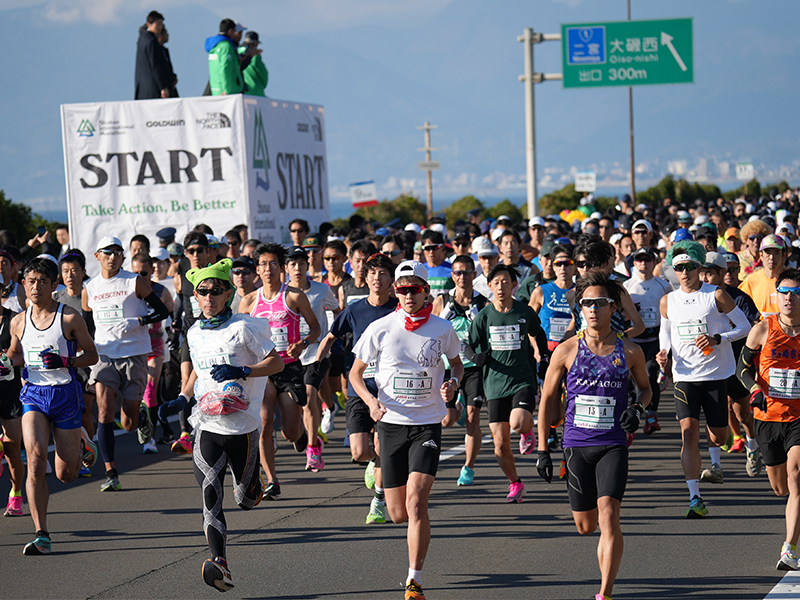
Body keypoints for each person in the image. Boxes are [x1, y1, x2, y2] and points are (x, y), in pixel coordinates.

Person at [165, 258, 283, 591]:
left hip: (243, 428)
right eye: (202, 292)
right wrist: (182, 398)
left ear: (228, 293)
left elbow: (276, 362)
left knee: (245, 499)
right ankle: (221, 564)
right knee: (210, 498)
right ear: (196, 296)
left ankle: (254, 481)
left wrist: (243, 371)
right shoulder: (193, 331)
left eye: (216, 291)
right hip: (207, 427)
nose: (209, 297)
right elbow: (196, 376)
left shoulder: (245, 327)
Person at [351, 260, 463, 600]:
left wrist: (453, 384)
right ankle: (384, 487)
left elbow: (456, 363)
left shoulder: (442, 329)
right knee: (398, 514)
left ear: (426, 291)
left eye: (414, 289)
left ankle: (414, 580)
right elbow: (354, 373)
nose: (408, 295)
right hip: (390, 424)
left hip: (427, 424)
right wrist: (371, 402)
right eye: (401, 289)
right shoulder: (382, 328)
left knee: (417, 503)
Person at [538, 269, 651, 600]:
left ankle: (605, 592)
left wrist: (638, 410)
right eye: (586, 303)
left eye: (600, 303)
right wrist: (543, 450)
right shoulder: (566, 350)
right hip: (575, 446)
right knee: (585, 525)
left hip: (613, 445)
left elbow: (645, 390)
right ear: (580, 308)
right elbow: (546, 400)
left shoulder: (629, 351)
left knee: (609, 516)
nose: (592, 309)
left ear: (613, 308)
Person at [5, 257, 98, 554]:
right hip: (33, 395)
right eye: (30, 281)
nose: (36, 287)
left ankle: (82, 442)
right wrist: (6, 363)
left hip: (65, 395)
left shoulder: (69, 317)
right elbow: (16, 355)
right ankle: (41, 533)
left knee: (66, 474)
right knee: (34, 460)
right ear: (24, 284)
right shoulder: (18, 321)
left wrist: (66, 361)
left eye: (42, 281)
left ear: (53, 285)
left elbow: (92, 355)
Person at [655, 240, 751, 517]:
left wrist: (718, 338)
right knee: (688, 433)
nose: (684, 272)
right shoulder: (668, 301)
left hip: (715, 375)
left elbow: (744, 327)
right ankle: (694, 496)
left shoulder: (716, 295)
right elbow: (666, 333)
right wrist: (664, 353)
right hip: (684, 376)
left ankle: (718, 455)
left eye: (688, 267)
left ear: (698, 268)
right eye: (678, 268)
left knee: (719, 435)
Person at [315, 253, 399, 524]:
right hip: (359, 387)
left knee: (382, 445)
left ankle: (377, 501)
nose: (377, 277)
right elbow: (330, 336)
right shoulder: (355, 310)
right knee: (359, 451)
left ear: (391, 279)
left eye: (383, 273)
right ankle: (374, 461)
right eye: (373, 272)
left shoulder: (399, 310)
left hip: (390, 391)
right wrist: (318, 365)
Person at [82, 236, 169, 491]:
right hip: (104, 355)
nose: (113, 256)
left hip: (134, 354)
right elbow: (88, 322)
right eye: (107, 252)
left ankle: (141, 416)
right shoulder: (90, 288)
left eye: (117, 252)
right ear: (97, 255)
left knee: (128, 422)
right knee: (104, 410)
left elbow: (161, 312)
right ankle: (111, 472)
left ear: (122, 257)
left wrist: (138, 322)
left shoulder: (134, 281)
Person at [238, 243, 320, 500]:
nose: (268, 269)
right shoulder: (249, 301)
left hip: (289, 367)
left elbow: (316, 329)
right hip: (263, 369)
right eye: (263, 264)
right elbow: (240, 337)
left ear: (282, 267)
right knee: (263, 423)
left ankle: (302, 435)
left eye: (273, 263)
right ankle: (272, 480)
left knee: (289, 431)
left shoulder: (294, 296)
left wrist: (304, 343)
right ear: (257, 270)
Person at [466, 264, 549, 502]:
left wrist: (543, 357)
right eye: (496, 282)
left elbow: (538, 334)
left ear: (514, 285)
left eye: (506, 282)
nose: (501, 286)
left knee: (518, 421)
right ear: (489, 285)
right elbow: (468, 345)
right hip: (494, 383)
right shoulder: (484, 316)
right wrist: (475, 357)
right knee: (500, 445)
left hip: (522, 377)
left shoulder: (524, 311)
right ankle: (515, 483)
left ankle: (527, 431)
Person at [737, 268, 800, 570]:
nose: (790, 298)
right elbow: (742, 368)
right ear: (777, 297)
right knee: (781, 488)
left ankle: (789, 548)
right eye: (785, 293)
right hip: (767, 416)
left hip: (799, 418)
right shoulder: (763, 329)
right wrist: (753, 389)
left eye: (796, 293)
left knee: (797, 477)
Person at [432, 255, 488, 486]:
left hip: (473, 367)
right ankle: (458, 407)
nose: (462, 277)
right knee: (447, 421)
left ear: (474, 275)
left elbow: (489, 337)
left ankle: (468, 467)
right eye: (457, 272)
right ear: (452, 275)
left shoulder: (484, 303)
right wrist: (443, 318)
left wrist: (477, 324)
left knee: (473, 419)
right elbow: (430, 331)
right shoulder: (442, 300)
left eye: (467, 272)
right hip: (447, 367)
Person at [284, 246, 340, 472]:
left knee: (309, 397)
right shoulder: (282, 293)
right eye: (293, 264)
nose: (298, 268)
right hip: (290, 355)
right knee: (307, 397)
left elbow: (338, 311)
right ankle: (330, 407)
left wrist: (333, 336)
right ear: (286, 268)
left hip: (317, 350)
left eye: (302, 264)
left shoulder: (321, 289)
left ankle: (312, 449)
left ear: (308, 265)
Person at [623, 247, 672, 434]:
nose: (643, 263)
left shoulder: (664, 286)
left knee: (650, 374)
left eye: (647, 260)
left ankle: (651, 414)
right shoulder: (628, 286)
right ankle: (633, 410)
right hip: (634, 340)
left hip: (655, 338)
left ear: (654, 262)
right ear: (634, 263)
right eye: (639, 260)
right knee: (631, 377)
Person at [131, 253, 174, 454]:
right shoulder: (127, 293)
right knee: (134, 393)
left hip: (155, 346)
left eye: (144, 273)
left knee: (149, 389)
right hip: (133, 347)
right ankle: (145, 422)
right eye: (135, 273)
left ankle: (150, 439)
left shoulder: (161, 291)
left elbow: (171, 312)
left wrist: (174, 328)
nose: (139, 278)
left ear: (152, 272)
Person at [740, 234, 789, 318]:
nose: (771, 257)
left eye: (776, 253)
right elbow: (738, 305)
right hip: (760, 329)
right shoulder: (751, 280)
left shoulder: (792, 280)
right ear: (761, 255)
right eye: (768, 253)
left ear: (783, 256)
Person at [134, 11, 172, 100]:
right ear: (149, 24)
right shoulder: (152, 41)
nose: (160, 27)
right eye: (157, 24)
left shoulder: (142, 39)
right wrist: (162, 86)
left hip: (143, 89)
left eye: (161, 24)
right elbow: (155, 65)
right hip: (153, 88)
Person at [205, 19, 245, 96]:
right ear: (230, 31)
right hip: (226, 91)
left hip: (215, 87)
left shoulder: (215, 46)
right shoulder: (226, 46)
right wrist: (227, 90)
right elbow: (225, 68)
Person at [420, 230, 453, 298]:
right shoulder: (420, 270)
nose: (431, 252)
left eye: (435, 247)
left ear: (442, 247)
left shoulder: (452, 269)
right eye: (427, 248)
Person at [238, 31, 268, 97]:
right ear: (254, 43)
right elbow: (263, 74)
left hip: (240, 90)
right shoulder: (254, 55)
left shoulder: (236, 51)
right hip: (254, 91)